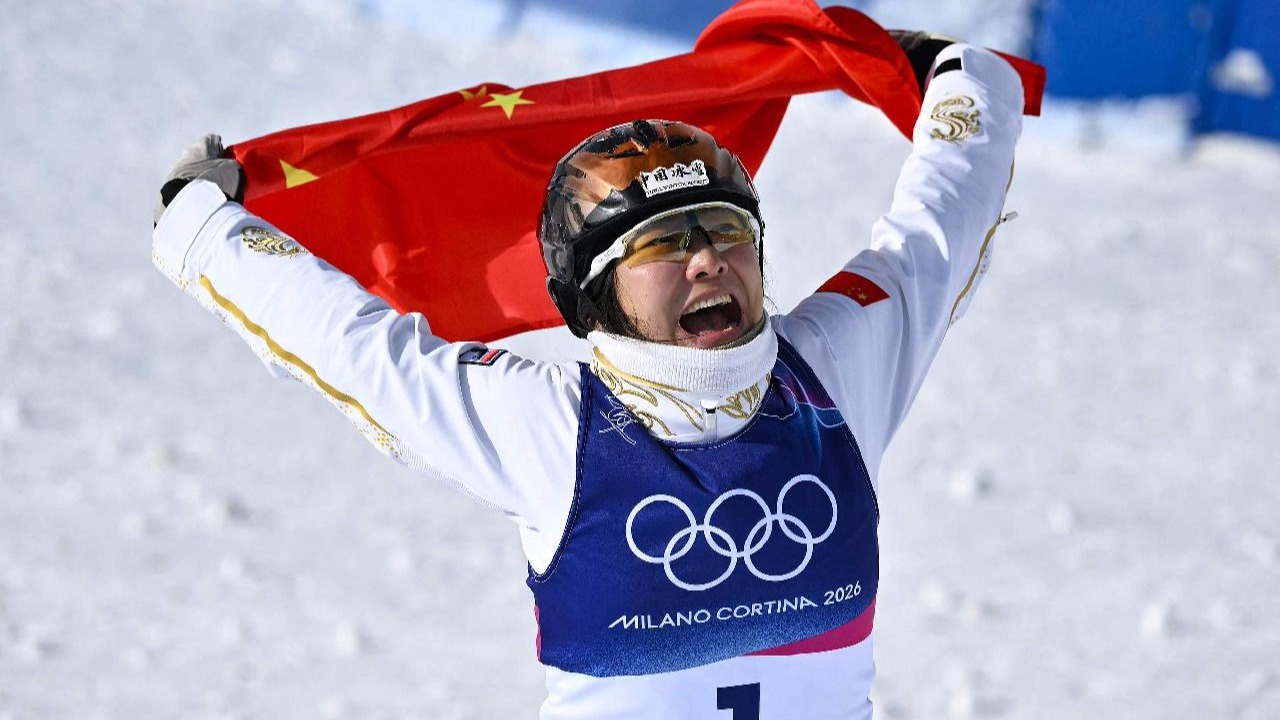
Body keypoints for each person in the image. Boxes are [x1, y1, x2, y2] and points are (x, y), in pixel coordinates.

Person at [152, 36, 1023, 720]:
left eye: (727, 229)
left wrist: (960, 79)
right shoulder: (550, 428)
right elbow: (353, 346)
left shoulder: (835, 369)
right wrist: (206, 229)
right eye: (663, 244)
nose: (710, 261)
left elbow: (941, 223)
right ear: (591, 294)